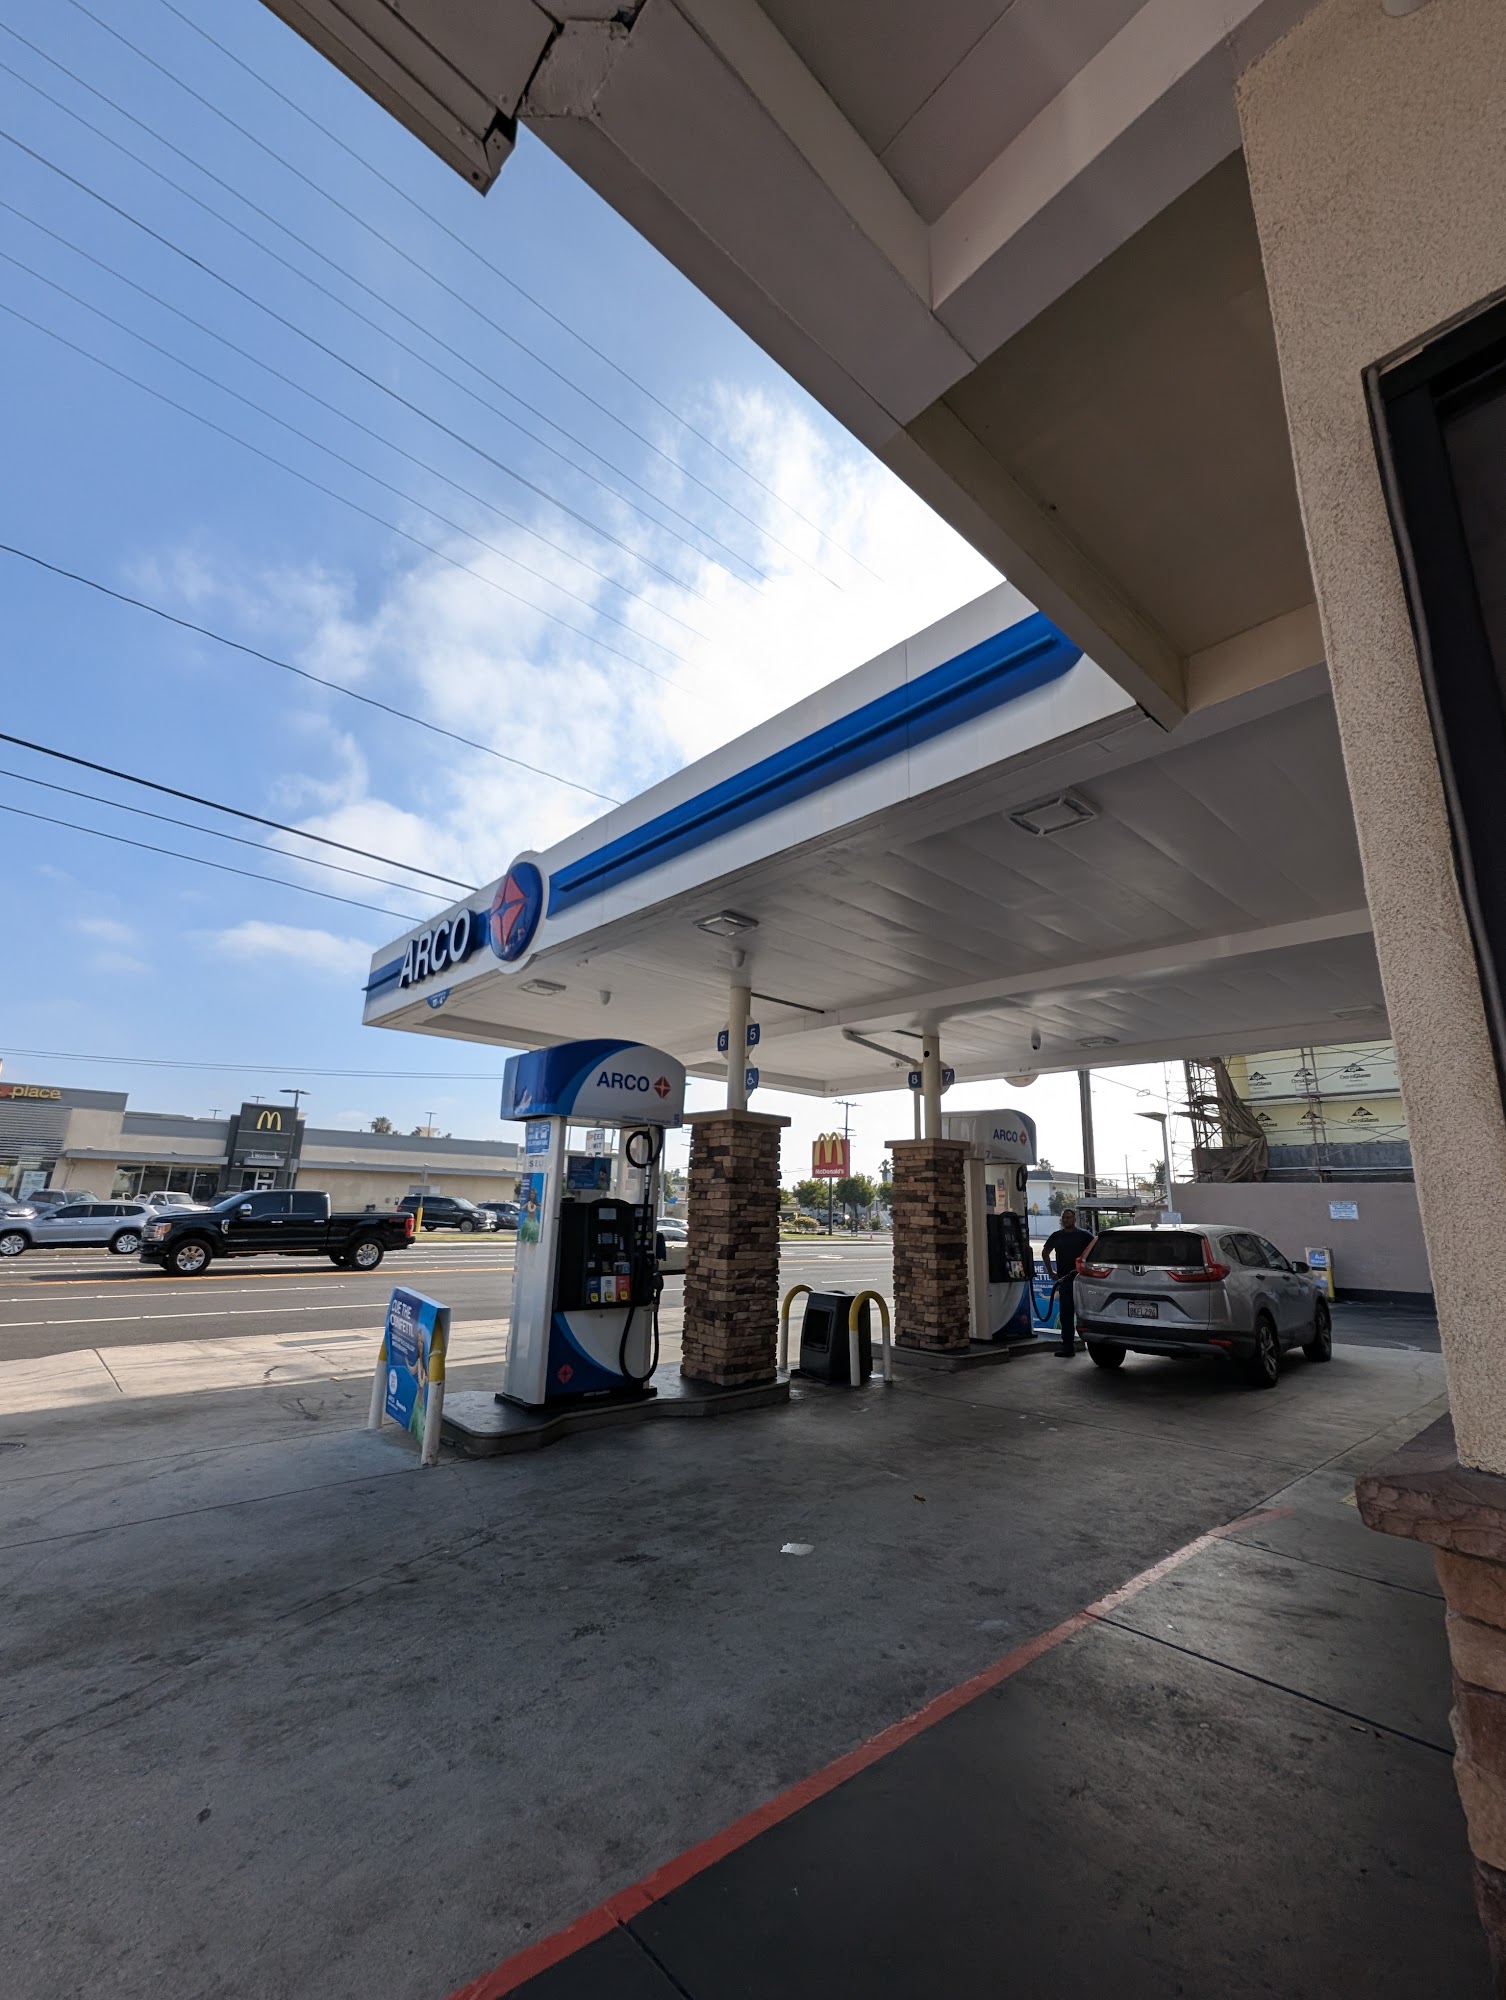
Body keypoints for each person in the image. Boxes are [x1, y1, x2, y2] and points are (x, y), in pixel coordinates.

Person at [1042, 1207, 1095, 1357]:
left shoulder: (1084, 1236)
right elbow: (1045, 1252)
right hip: (1065, 1281)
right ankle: (1068, 1347)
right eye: (1064, 1218)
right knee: (1066, 1315)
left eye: (1068, 1217)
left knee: (1086, 1313)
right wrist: (1050, 1271)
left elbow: (1095, 1250)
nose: (1066, 1220)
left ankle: (1094, 1345)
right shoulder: (1057, 1236)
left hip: (1082, 1281)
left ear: (1074, 1219)